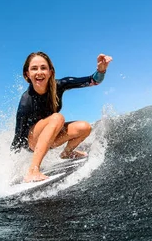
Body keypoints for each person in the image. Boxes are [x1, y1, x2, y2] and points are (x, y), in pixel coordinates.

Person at [11, 52, 112, 182]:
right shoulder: (26, 100)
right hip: (32, 142)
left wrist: (101, 70)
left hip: (52, 137)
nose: (39, 72)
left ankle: (67, 153)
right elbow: (18, 136)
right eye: (34, 68)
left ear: (51, 72)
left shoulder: (60, 85)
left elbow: (93, 80)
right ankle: (33, 170)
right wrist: (10, 165)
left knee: (85, 127)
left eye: (43, 67)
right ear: (27, 74)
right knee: (57, 118)